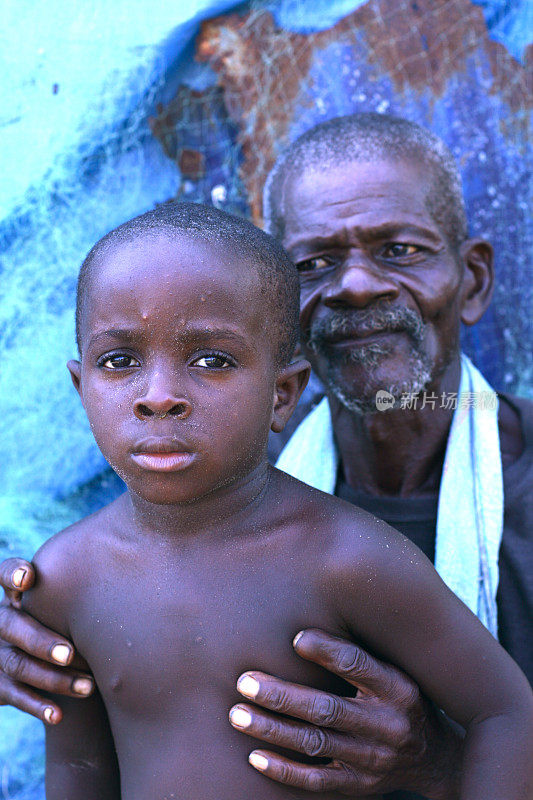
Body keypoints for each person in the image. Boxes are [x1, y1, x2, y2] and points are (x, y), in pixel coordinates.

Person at [1, 114, 532, 799]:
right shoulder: (115, 544)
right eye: (313, 264)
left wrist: (435, 763)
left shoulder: (341, 554)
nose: (357, 286)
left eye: (398, 250)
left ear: (473, 280)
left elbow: (503, 714)